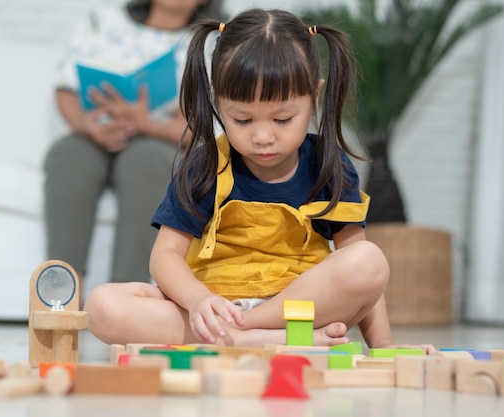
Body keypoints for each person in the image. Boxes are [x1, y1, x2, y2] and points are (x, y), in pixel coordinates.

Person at [85, 8, 435, 351]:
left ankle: (243, 333)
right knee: (103, 305)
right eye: (243, 120)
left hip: (295, 313)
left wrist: (384, 345)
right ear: (219, 103)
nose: (263, 137)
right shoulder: (205, 164)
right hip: (214, 306)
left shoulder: (330, 165)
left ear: (314, 96)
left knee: (369, 260)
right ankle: (255, 340)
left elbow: (356, 263)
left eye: (282, 119)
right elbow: (164, 258)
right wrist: (198, 300)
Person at [43, 0, 226, 290]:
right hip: (96, 133)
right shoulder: (103, 22)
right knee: (69, 155)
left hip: (158, 141)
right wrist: (88, 125)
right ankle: (63, 291)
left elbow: (208, 124)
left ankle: (124, 294)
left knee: (146, 160)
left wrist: (147, 125)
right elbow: (66, 89)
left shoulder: (210, 42)